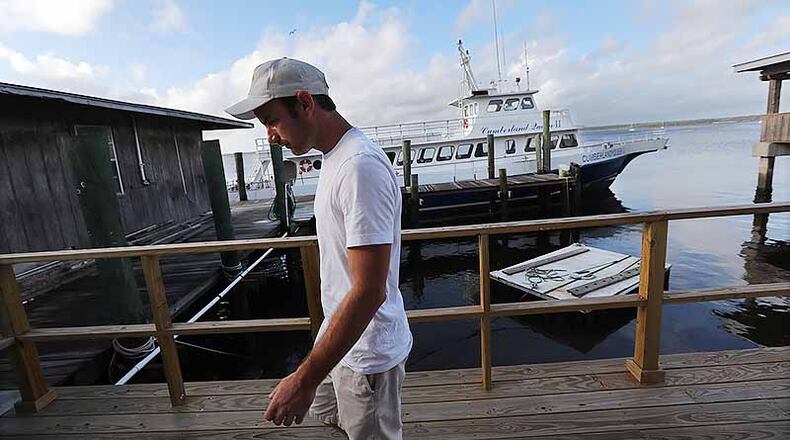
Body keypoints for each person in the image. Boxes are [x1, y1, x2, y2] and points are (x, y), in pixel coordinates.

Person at [226, 58, 412, 439]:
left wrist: (303, 378)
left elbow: (369, 291)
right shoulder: (334, 158)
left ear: (305, 103)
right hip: (343, 343)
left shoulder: (360, 167)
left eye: (272, 120)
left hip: (368, 356)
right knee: (330, 421)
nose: (270, 136)